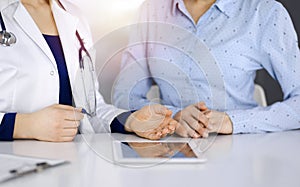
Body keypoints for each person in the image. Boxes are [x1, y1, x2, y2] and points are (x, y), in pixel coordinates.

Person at [113, 0, 300, 138]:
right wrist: (174, 115)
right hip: (169, 147)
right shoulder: (150, 10)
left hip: (240, 147)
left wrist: (231, 121)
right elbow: (123, 95)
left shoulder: (264, 12)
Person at [0, 0, 179, 142]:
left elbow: (90, 109)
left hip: (72, 163)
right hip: (13, 164)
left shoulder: (73, 15)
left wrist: (130, 121)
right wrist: (22, 125)